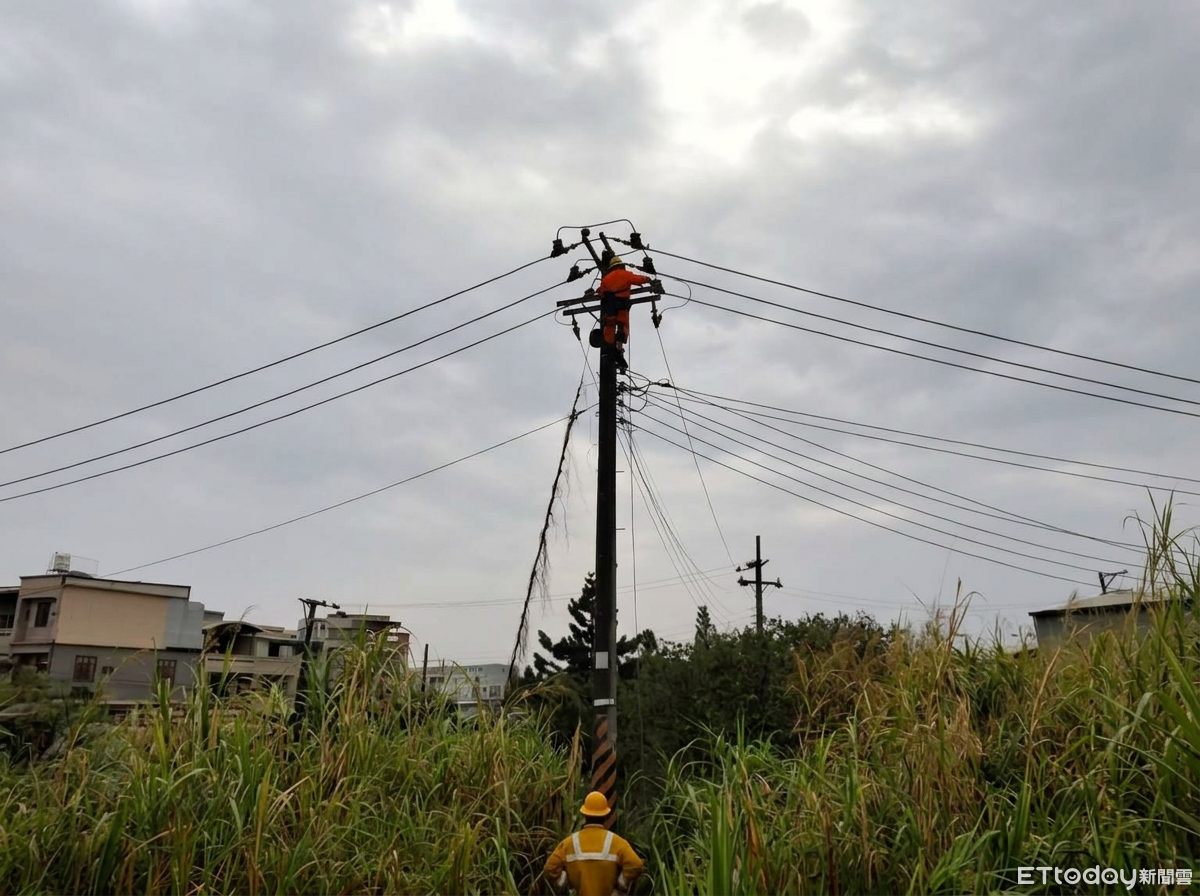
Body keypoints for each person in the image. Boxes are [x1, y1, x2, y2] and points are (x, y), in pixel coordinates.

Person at [544, 791, 645, 896]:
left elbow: (549, 868)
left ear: (584, 815)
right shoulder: (616, 842)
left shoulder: (569, 843)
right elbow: (636, 864)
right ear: (605, 816)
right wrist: (622, 883)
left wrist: (562, 882)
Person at [598, 256, 650, 356]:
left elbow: (601, 292)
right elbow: (637, 279)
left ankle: (608, 345)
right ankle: (619, 345)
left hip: (610, 307)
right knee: (623, 324)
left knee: (610, 324)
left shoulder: (606, 279)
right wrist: (647, 279)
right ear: (621, 266)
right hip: (622, 305)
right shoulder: (626, 274)